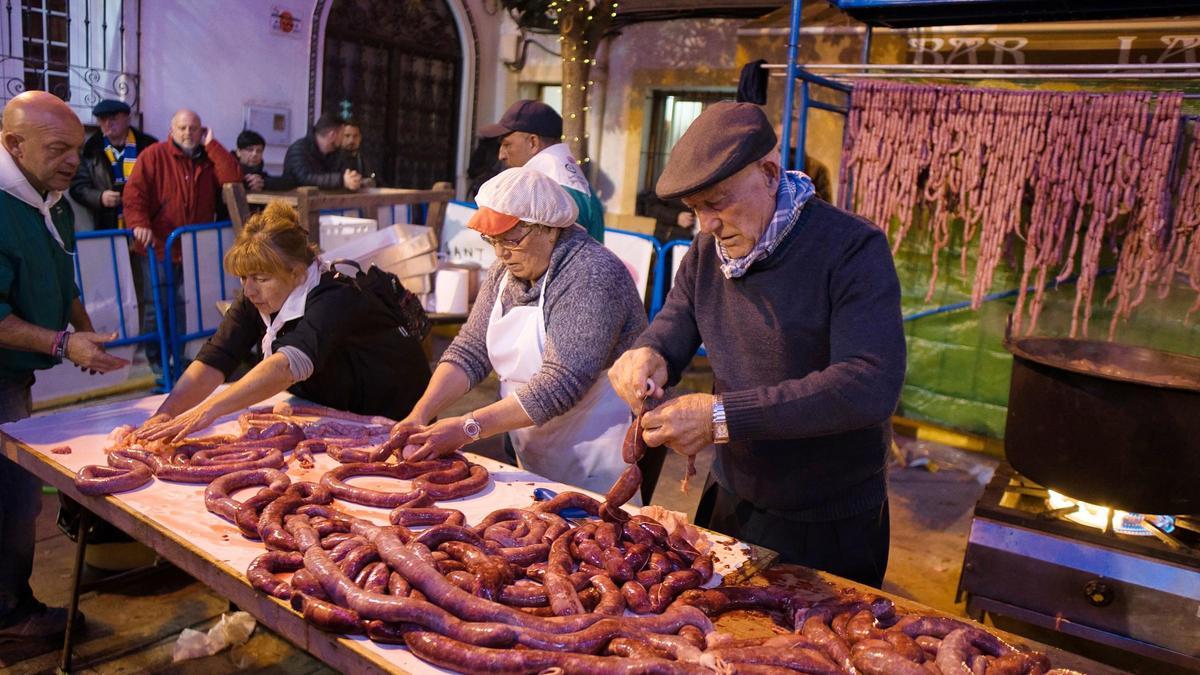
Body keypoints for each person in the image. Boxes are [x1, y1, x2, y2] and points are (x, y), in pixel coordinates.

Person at [608, 102, 906, 587]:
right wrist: (651, 352)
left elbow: (868, 383)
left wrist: (722, 417)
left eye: (717, 202)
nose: (706, 224)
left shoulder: (852, 248)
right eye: (695, 209)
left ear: (769, 173)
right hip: (731, 491)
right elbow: (679, 317)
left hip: (828, 514)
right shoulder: (710, 249)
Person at [392, 167, 647, 496]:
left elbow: (561, 383)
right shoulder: (505, 270)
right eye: (492, 240)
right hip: (536, 447)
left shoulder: (591, 273)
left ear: (549, 229)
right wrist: (420, 413)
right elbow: (471, 350)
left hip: (601, 454)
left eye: (511, 239)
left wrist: (468, 427)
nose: (499, 252)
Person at [0, 91, 129, 641]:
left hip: (14, 372)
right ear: (13, 145)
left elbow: (63, 275)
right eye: (58, 149)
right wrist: (61, 345)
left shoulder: (49, 197)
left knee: (14, 495)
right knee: (12, 498)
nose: (73, 161)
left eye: (78, 148)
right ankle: (10, 615)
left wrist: (82, 329)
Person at [136, 201, 431, 441]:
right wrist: (167, 412)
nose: (249, 289)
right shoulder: (256, 296)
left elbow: (287, 366)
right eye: (244, 278)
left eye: (261, 279)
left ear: (298, 273)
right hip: (330, 408)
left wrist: (208, 411)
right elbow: (217, 357)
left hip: (395, 412)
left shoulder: (335, 296)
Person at [122, 108, 242, 374]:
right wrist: (139, 224)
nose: (188, 133)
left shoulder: (208, 158)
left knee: (186, 305)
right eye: (183, 128)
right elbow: (134, 194)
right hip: (158, 247)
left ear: (202, 131)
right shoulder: (153, 155)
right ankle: (158, 363)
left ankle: (182, 359)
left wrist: (212, 144)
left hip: (194, 250)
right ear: (171, 130)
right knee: (156, 306)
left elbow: (232, 179)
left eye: (194, 128)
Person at [480, 100, 605, 243]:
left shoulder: (554, 193)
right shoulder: (572, 184)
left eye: (507, 144)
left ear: (533, 142)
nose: (501, 155)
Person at [68, 99, 157, 230]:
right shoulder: (90, 149)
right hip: (108, 224)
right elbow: (78, 187)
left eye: (114, 118)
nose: (108, 124)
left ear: (128, 119)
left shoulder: (149, 146)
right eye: (103, 120)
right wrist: (100, 197)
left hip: (146, 223)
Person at [283, 113, 361, 191]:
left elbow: (346, 174)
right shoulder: (298, 150)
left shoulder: (337, 154)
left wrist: (354, 179)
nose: (343, 139)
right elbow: (304, 179)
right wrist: (341, 180)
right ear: (332, 135)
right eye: (343, 134)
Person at [338, 120, 375, 187]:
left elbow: (374, 178)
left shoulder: (365, 158)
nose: (351, 140)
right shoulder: (334, 159)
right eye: (347, 136)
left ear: (360, 138)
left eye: (355, 136)